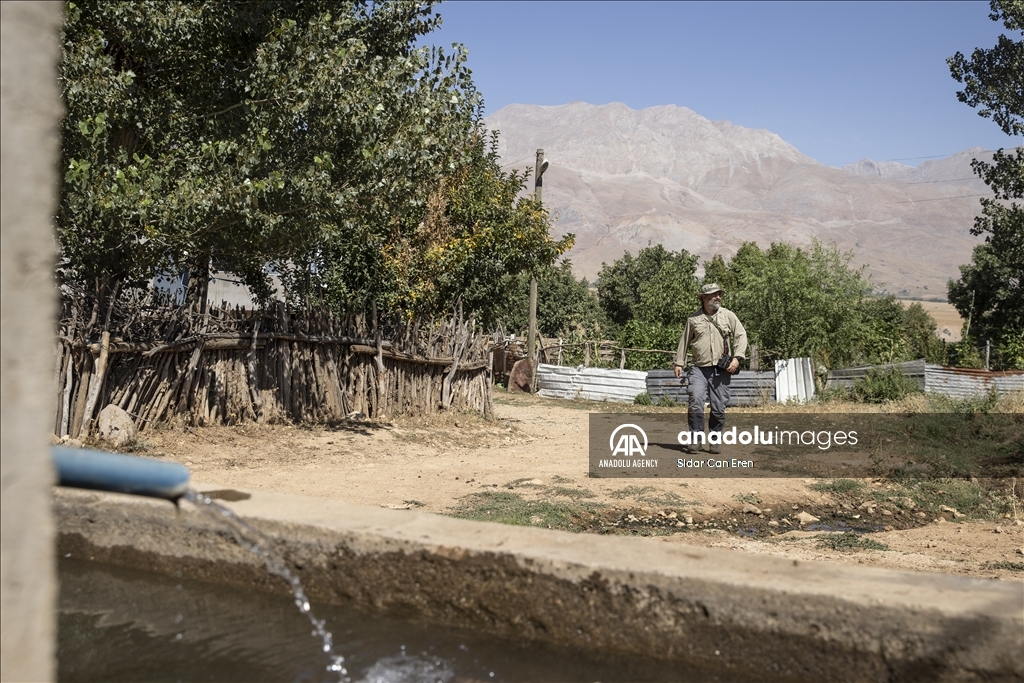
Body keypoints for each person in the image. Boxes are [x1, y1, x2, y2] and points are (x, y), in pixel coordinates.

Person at [673, 283, 748, 454]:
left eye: (719, 294)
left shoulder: (728, 316)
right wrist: (679, 362)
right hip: (699, 368)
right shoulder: (693, 319)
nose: (718, 297)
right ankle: (695, 439)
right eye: (714, 295)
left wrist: (738, 357)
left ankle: (715, 440)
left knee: (718, 406)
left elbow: (741, 335)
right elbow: (684, 342)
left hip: (720, 370)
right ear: (704, 298)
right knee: (696, 402)